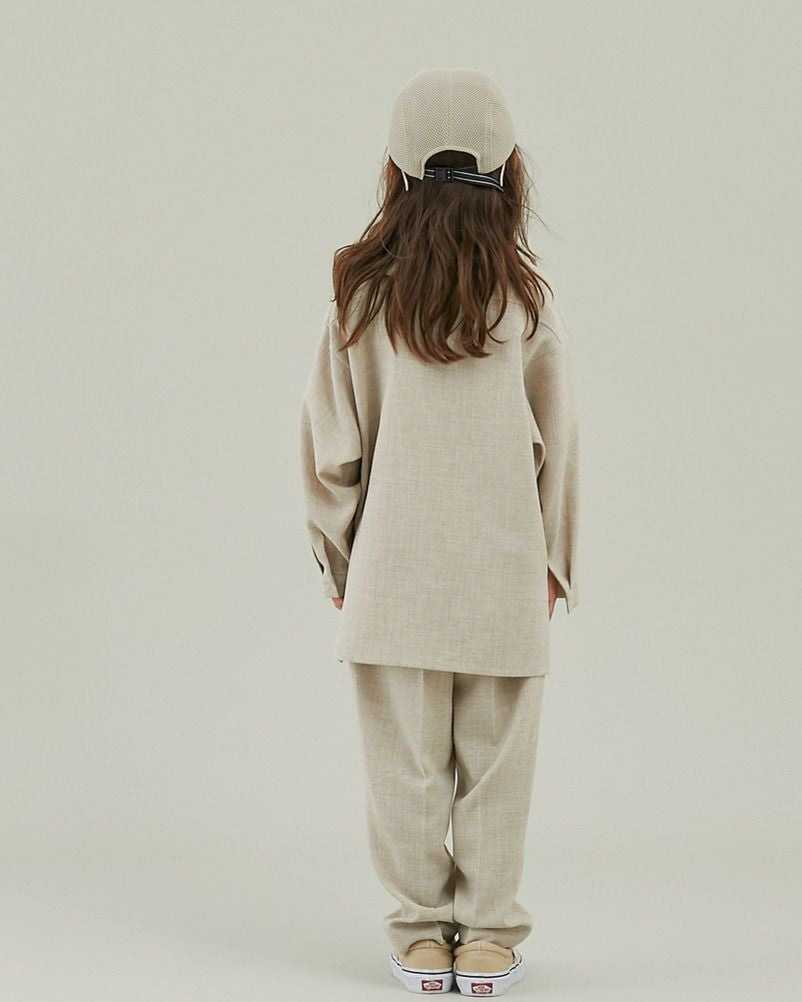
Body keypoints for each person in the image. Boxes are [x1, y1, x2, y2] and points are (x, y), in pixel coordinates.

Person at [299, 66, 580, 996]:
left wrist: (337, 559)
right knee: (497, 768)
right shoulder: (524, 305)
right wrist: (555, 560)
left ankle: (422, 938)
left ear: (397, 170)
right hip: (504, 570)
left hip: (392, 572)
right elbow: (560, 444)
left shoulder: (360, 300)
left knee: (406, 770)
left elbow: (330, 447)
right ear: (508, 173)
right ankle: (489, 940)